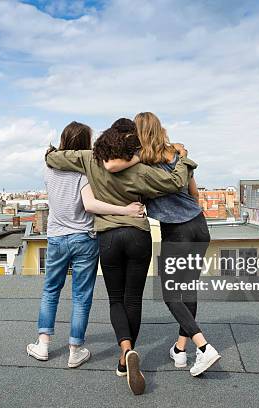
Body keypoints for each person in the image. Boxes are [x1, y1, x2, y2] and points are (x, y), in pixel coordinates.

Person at [45, 118, 197, 394]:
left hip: (108, 238)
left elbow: (56, 159)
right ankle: (125, 361)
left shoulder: (89, 158)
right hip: (138, 236)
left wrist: (50, 152)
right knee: (132, 299)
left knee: (116, 299)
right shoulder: (140, 169)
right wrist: (184, 158)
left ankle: (125, 350)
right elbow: (176, 182)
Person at [103, 112, 221, 377]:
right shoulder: (177, 155)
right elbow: (194, 193)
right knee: (188, 290)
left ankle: (203, 347)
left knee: (171, 295)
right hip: (199, 226)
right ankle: (180, 350)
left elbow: (113, 169)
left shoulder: (138, 161)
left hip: (176, 232)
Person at [27, 121, 145, 369]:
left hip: (57, 236)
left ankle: (43, 344)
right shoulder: (84, 170)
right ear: (83, 143)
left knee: (51, 291)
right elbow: (90, 205)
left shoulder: (49, 167)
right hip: (84, 238)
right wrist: (125, 210)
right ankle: (75, 349)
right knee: (81, 296)